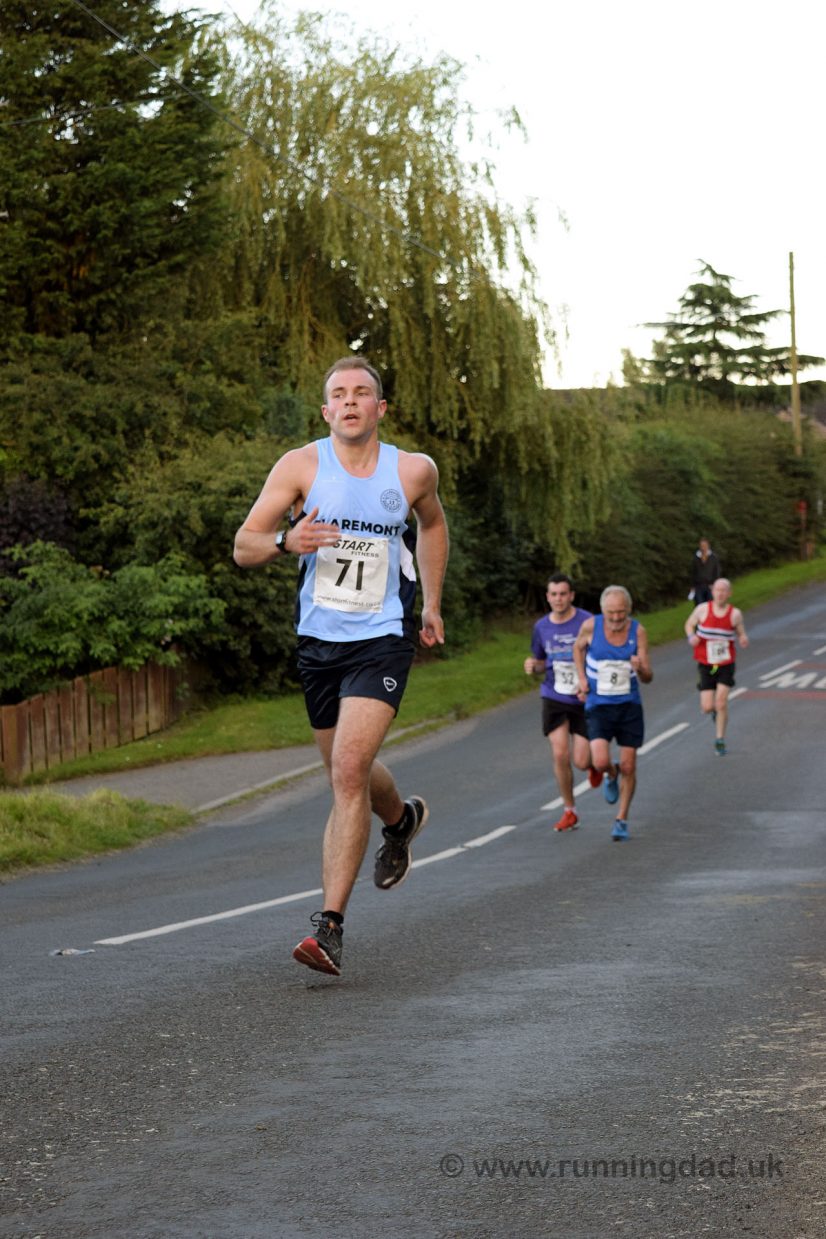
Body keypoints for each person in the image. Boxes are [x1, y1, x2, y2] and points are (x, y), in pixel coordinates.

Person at [233, 356, 449, 976]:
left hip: (382, 636)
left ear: (380, 409)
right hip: (318, 641)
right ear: (326, 410)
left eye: (363, 393)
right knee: (341, 766)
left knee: (348, 769)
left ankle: (328, 928)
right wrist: (285, 541)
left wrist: (431, 603)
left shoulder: (412, 471)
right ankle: (401, 821)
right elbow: (244, 544)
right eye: (339, 395)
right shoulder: (300, 466)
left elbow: (432, 526)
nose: (350, 402)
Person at [572, 585, 653, 842]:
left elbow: (648, 677)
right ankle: (611, 773)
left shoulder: (637, 631)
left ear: (628, 610)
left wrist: (640, 669)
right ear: (602, 610)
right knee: (599, 761)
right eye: (611, 613)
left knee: (630, 764)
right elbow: (577, 648)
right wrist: (582, 678)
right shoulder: (590, 627)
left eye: (621, 612)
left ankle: (621, 819)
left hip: (629, 706)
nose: (617, 618)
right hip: (599, 705)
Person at [524, 573, 602, 831]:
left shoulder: (588, 622)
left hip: (584, 696)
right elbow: (541, 661)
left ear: (571, 596)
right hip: (554, 694)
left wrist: (588, 683)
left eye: (563, 594)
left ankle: (594, 765)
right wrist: (533, 666)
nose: (558, 599)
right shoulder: (541, 627)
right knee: (560, 753)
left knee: (580, 760)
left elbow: (600, 657)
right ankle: (570, 810)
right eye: (553, 594)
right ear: (548, 597)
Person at [684, 577, 748, 756]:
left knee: (721, 702)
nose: (720, 594)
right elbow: (689, 624)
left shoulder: (735, 614)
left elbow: (741, 632)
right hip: (706, 663)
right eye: (717, 590)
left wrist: (743, 638)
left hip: (726, 664)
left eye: (724, 591)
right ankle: (715, 713)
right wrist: (691, 637)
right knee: (707, 706)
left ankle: (720, 739)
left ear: (729, 594)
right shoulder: (702, 610)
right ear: (712, 592)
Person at [691, 537, 721, 604]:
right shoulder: (696, 558)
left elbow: (717, 572)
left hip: (710, 586)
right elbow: (693, 573)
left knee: (710, 605)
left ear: (708, 546)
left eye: (704, 546)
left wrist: (715, 584)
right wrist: (693, 586)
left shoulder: (713, 557)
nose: (703, 548)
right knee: (700, 606)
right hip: (698, 586)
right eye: (701, 546)